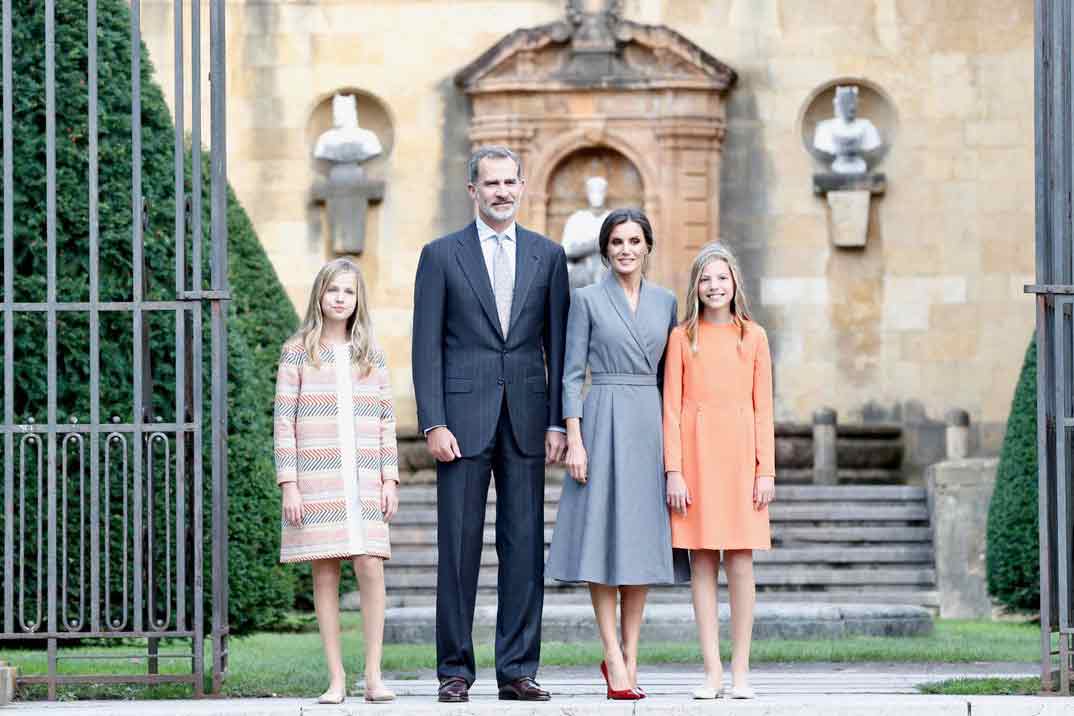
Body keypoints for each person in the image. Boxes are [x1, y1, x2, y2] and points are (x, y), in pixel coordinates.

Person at [411, 146, 570, 703]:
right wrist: (432, 421)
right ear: (472, 190)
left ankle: (518, 669)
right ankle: (454, 670)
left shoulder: (548, 257)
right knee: (457, 548)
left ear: (522, 187)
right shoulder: (440, 255)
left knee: (524, 546)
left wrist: (558, 424)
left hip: (528, 420)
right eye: (491, 183)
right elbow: (425, 346)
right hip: (460, 421)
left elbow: (559, 345)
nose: (501, 191)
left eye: (510, 182)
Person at [547, 208, 689, 700]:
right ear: (605, 249)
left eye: (634, 240)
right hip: (602, 417)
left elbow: (673, 381)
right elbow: (570, 373)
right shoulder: (585, 299)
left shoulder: (666, 302)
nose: (625, 249)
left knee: (640, 543)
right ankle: (610, 652)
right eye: (616, 241)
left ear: (648, 246)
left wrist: (677, 454)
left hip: (649, 422)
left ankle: (631, 655)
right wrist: (575, 438)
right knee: (603, 541)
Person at [274, 258, 400, 705]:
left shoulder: (371, 355)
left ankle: (373, 674)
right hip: (318, 478)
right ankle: (336, 678)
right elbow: (284, 422)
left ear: (357, 299)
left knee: (370, 565)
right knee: (324, 573)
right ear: (320, 296)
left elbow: (386, 420)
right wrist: (289, 483)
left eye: (348, 292)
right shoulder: (298, 352)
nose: (340, 299)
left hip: (365, 477)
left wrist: (391, 479)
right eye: (333, 291)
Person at [662, 242, 776, 701]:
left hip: (741, 458)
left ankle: (742, 671)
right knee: (703, 561)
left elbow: (763, 407)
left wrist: (765, 469)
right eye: (705, 279)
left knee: (742, 561)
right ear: (696, 286)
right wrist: (674, 470)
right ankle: (712, 671)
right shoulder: (680, 338)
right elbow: (671, 408)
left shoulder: (754, 337)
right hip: (695, 458)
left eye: (721, 278)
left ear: (734, 284)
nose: (714, 286)